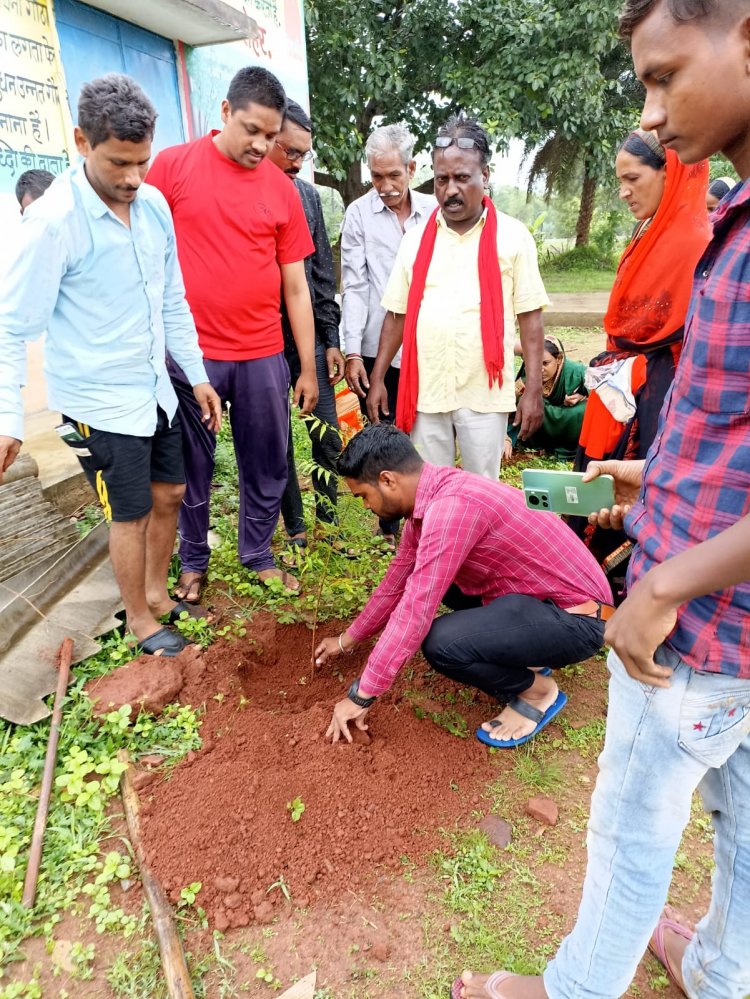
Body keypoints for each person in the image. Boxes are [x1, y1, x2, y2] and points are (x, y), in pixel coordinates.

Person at [453, 1, 750, 996]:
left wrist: (662, 586)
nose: (654, 117)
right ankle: (718, 970)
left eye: (666, 75)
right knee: (743, 821)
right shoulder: (737, 219)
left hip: (700, 629)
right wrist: (647, 482)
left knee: (630, 831)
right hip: (729, 617)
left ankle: (566, 989)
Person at [0, 74, 221, 657]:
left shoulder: (152, 207)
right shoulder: (53, 222)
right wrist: (9, 419)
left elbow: (172, 298)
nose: (132, 178)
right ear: (80, 141)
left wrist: (195, 374)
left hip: (156, 389)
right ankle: (142, 623)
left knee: (170, 492)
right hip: (101, 397)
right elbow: (11, 324)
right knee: (131, 510)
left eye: (142, 162)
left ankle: (156, 594)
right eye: (119, 162)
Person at [315, 424, 612, 749]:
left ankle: (538, 692)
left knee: (441, 642)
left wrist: (361, 696)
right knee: (444, 583)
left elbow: (415, 611)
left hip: (581, 619)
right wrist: (347, 640)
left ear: (387, 480)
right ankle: (526, 650)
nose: (365, 506)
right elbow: (396, 584)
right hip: (540, 599)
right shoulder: (430, 498)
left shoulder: (452, 508)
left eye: (363, 496)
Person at [147, 67, 318, 600]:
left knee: (268, 459)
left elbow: (296, 287)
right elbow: (145, 258)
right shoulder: (172, 168)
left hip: (263, 353)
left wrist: (307, 365)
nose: (261, 145)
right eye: (251, 130)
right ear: (224, 113)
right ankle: (193, 560)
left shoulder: (282, 191)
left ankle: (257, 551)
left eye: (271, 136)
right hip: (191, 356)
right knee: (191, 463)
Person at [366, 114, 548, 480]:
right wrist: (379, 378)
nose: (450, 190)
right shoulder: (415, 241)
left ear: (485, 175)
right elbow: (397, 316)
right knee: (430, 490)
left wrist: (533, 389)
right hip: (427, 390)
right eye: (442, 179)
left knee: (483, 489)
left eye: (462, 178)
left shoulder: (513, 238)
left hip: (484, 391)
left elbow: (530, 320)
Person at [572, 128, 710, 597]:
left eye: (633, 178)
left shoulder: (695, 239)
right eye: (619, 181)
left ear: (669, 174)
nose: (625, 191)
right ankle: (598, 585)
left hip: (667, 389)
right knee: (606, 486)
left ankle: (646, 590)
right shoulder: (648, 231)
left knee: (651, 489)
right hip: (628, 385)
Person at [341, 124, 436, 547]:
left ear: (412, 168)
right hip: (379, 347)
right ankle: (389, 524)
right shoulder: (358, 215)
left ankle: (427, 515)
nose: (384, 186)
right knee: (382, 432)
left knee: (425, 432)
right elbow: (355, 286)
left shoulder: (436, 210)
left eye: (393, 175)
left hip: (430, 346)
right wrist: (353, 353)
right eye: (376, 177)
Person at [266, 100, 345, 555]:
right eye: (289, 151)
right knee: (278, 445)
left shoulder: (307, 197)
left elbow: (320, 275)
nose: (296, 163)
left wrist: (330, 340)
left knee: (327, 437)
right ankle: (295, 530)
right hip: (263, 344)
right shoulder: (246, 194)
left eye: (303, 154)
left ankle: (329, 524)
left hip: (310, 340)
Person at [508, 336, 587, 459]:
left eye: (545, 363)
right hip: (542, 429)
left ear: (559, 359)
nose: (540, 369)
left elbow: (603, 394)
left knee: (585, 409)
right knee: (525, 402)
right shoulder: (527, 378)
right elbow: (509, 401)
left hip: (570, 427)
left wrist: (583, 397)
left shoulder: (577, 372)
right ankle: (541, 444)